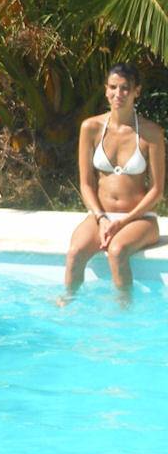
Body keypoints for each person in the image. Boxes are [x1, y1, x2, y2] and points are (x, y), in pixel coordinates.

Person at [62, 63, 164, 302]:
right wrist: (101, 219)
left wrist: (123, 222)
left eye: (125, 88)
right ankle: (67, 304)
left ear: (137, 91)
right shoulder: (91, 128)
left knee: (117, 252)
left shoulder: (151, 133)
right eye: (113, 87)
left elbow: (157, 190)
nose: (118, 94)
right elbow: (86, 184)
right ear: (106, 89)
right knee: (75, 253)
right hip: (101, 216)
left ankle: (123, 311)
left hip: (139, 219)